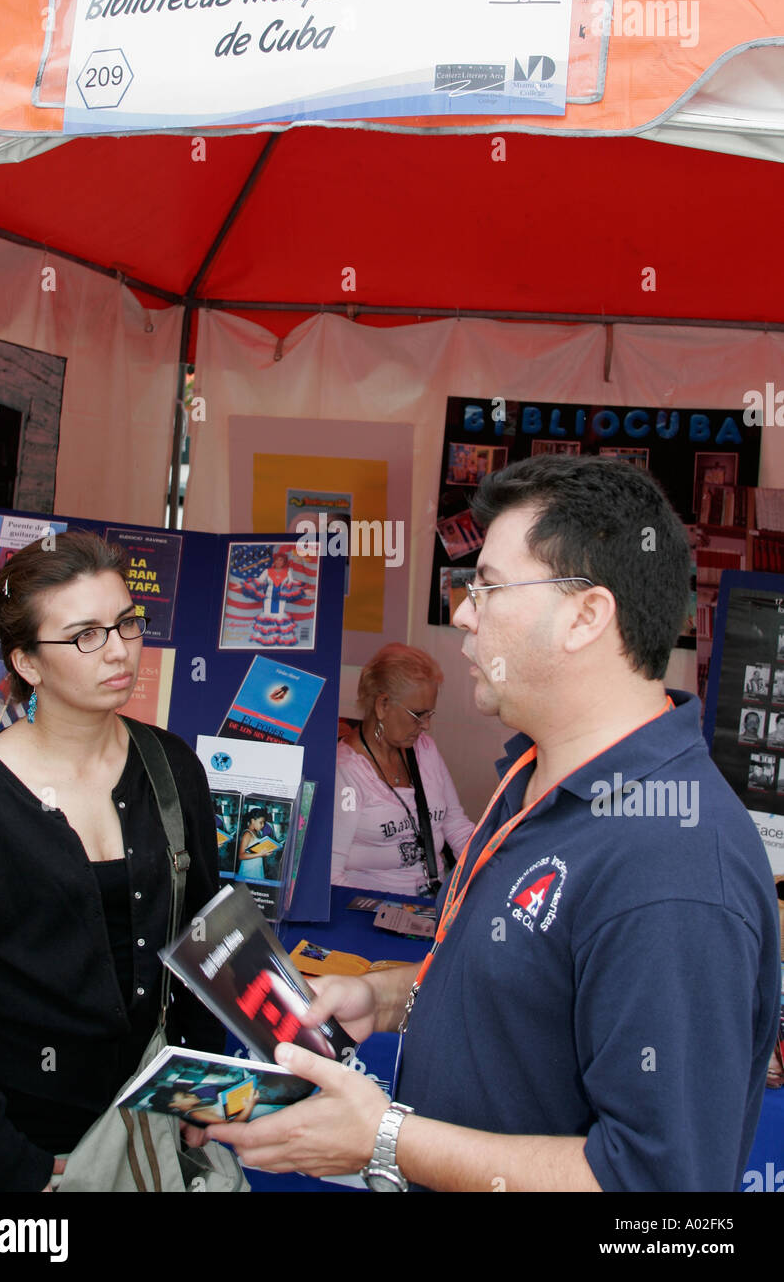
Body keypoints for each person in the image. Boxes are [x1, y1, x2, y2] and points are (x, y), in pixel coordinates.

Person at [204, 455, 781, 1192]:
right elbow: (527, 991)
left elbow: (662, 1194)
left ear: (585, 617)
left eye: (488, 587)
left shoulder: (673, 865)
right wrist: (384, 997)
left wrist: (386, 1140)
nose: (464, 611)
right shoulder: (536, 776)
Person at [0, 531, 225, 1192]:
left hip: (151, 1119)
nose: (118, 650)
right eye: (85, 634)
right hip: (22, 1134)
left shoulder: (171, 768)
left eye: (125, 623)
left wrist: (203, 1089)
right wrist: (4, 1153)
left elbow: (204, 933)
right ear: (27, 662)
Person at [331, 643, 474, 896]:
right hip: (373, 913)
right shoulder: (346, 770)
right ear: (382, 705)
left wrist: (489, 869)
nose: (426, 725)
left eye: (430, 713)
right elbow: (331, 874)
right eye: (418, 714)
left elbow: (455, 825)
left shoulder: (426, 751)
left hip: (433, 902)